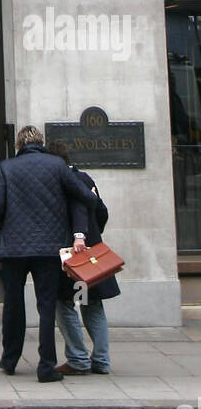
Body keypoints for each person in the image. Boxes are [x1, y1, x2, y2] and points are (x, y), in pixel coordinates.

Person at [0, 125, 94, 382]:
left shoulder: (7, 167)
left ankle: (10, 359)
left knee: (13, 303)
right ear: (41, 142)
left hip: (13, 247)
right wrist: (86, 219)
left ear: (18, 145)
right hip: (49, 248)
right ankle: (46, 365)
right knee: (46, 306)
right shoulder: (56, 165)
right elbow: (82, 194)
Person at [48, 140, 119, 376]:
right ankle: (101, 359)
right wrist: (94, 234)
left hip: (72, 254)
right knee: (93, 304)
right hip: (92, 252)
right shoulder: (86, 179)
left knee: (65, 303)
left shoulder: (63, 182)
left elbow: (77, 211)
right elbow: (102, 212)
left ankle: (78, 359)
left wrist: (79, 236)